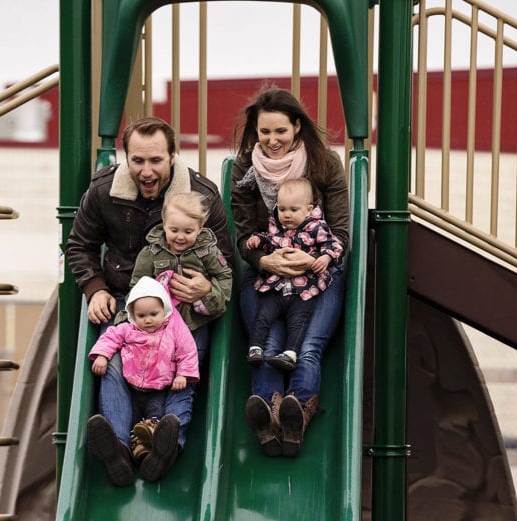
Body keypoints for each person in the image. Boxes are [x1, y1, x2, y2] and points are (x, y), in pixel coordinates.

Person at [66, 117, 232, 477]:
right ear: (126, 158)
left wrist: (206, 288)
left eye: (155, 160)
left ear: (173, 156)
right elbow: (80, 245)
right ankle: (120, 449)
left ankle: (165, 443)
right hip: (127, 296)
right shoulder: (104, 191)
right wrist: (94, 289)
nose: (145, 171)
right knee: (110, 362)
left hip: (185, 306)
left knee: (186, 364)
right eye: (137, 160)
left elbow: (226, 260)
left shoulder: (200, 196)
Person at [230, 88, 350, 457]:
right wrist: (265, 261)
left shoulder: (323, 164)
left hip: (317, 273)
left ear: (297, 126)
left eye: (280, 131)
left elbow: (342, 233)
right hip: (267, 273)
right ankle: (267, 413)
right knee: (266, 345)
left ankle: (298, 409)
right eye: (264, 132)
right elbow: (243, 233)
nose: (272, 140)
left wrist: (312, 258)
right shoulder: (245, 168)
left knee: (308, 346)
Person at [88, 277, 199, 485]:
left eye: (153, 314)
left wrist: (183, 374)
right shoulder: (128, 329)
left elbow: (188, 350)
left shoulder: (173, 329)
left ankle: (149, 454)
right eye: (141, 315)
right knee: (134, 425)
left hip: (159, 390)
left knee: (154, 423)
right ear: (132, 315)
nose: (148, 320)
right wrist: (102, 355)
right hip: (133, 389)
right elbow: (110, 337)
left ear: (164, 311)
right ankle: (124, 453)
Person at [245, 176, 343, 372]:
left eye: (293, 210)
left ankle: (290, 353)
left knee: (299, 322)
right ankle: (255, 348)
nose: (286, 215)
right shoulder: (277, 229)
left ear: (308, 209)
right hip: (276, 287)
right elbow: (268, 240)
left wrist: (324, 258)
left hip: (303, 289)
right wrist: (257, 240)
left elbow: (334, 245)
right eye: (282, 210)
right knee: (263, 316)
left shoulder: (317, 228)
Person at [125, 190, 233, 335]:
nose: (180, 237)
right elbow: (137, 285)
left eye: (188, 232)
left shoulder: (208, 252)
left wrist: (209, 295)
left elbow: (224, 276)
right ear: (164, 224)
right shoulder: (150, 254)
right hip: (160, 323)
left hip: (195, 322)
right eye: (174, 230)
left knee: (197, 350)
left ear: (200, 228)